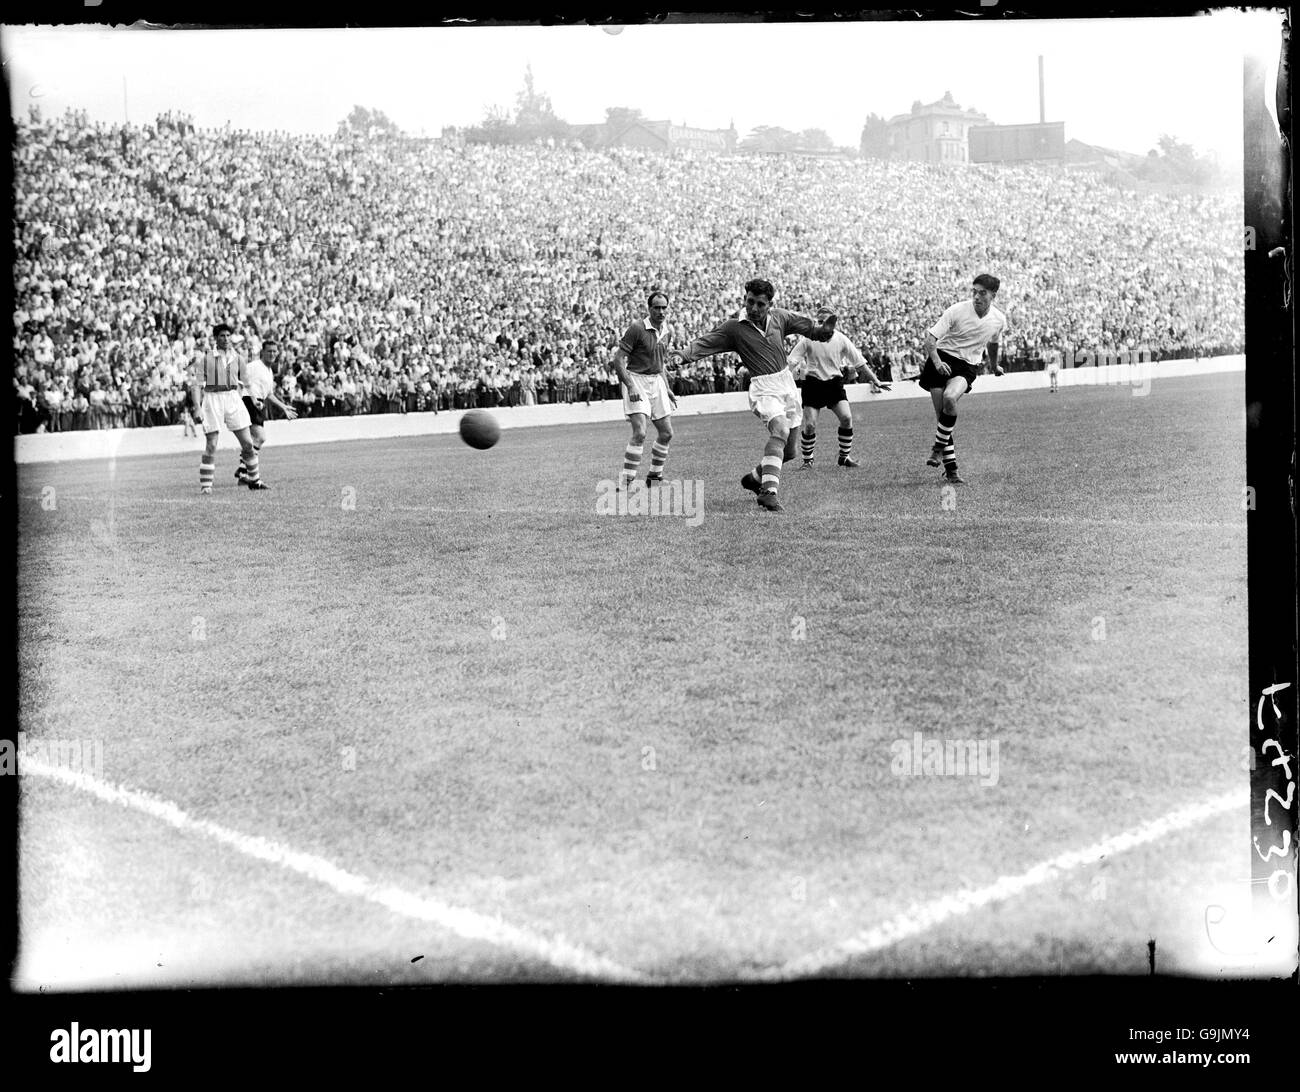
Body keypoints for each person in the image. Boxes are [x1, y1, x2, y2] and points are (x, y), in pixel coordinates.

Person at [672, 278, 836, 513]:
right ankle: (769, 494)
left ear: (770, 304)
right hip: (763, 387)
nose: (754, 309)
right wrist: (682, 356)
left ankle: (755, 477)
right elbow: (706, 342)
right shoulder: (734, 328)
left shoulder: (780, 317)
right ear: (745, 299)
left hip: (786, 384)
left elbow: (811, 329)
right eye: (750, 302)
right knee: (779, 430)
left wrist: (825, 331)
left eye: (760, 304)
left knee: (790, 451)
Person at [918, 274, 1007, 484]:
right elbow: (930, 340)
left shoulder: (998, 320)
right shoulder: (957, 310)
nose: (976, 296)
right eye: (974, 291)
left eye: (982, 293)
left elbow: (993, 344)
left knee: (950, 399)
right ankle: (952, 470)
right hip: (941, 360)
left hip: (966, 365)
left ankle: (937, 449)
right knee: (943, 419)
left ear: (993, 295)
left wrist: (994, 366)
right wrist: (937, 362)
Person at [788, 324, 887, 471]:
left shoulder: (841, 339)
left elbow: (859, 362)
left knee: (846, 418)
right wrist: (794, 377)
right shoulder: (808, 339)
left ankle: (844, 457)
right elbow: (791, 362)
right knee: (810, 425)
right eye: (820, 321)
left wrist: (876, 380)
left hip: (834, 384)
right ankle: (808, 461)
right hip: (812, 384)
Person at [611, 291, 677, 490]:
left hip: (656, 381)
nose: (661, 311)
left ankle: (654, 476)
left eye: (664, 307)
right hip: (636, 380)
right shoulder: (637, 328)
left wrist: (667, 388)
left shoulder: (668, 331)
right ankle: (626, 482)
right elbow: (618, 359)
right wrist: (629, 385)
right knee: (640, 432)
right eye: (656, 307)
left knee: (666, 433)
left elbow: (661, 363)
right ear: (649, 309)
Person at [189, 323, 266, 493]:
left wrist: (254, 400)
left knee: (247, 443)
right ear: (216, 338)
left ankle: (255, 481)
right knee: (212, 444)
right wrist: (197, 407)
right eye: (222, 336)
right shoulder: (206, 358)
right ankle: (206, 486)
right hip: (212, 399)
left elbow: (246, 383)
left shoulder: (238, 358)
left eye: (228, 335)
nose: (226, 339)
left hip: (233, 398)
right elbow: (196, 386)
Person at [235, 338, 299, 483]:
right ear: (262, 352)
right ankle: (243, 470)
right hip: (248, 401)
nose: (272, 354)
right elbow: (239, 382)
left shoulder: (269, 371)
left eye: (274, 351)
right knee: (260, 437)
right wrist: (241, 401)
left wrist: (283, 406)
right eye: (269, 351)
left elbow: (269, 394)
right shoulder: (253, 366)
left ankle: (243, 471)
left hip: (259, 403)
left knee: (252, 440)